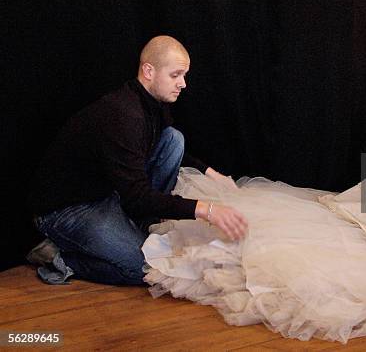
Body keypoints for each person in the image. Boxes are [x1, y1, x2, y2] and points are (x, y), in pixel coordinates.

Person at [28, 36, 248, 285]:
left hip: (108, 191)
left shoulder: (152, 103)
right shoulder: (123, 115)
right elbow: (137, 196)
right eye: (175, 75)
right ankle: (58, 257)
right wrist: (207, 210)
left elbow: (155, 146)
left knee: (173, 139)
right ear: (148, 71)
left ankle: (141, 223)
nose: (183, 84)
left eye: (184, 76)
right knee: (145, 268)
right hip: (68, 208)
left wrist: (211, 173)